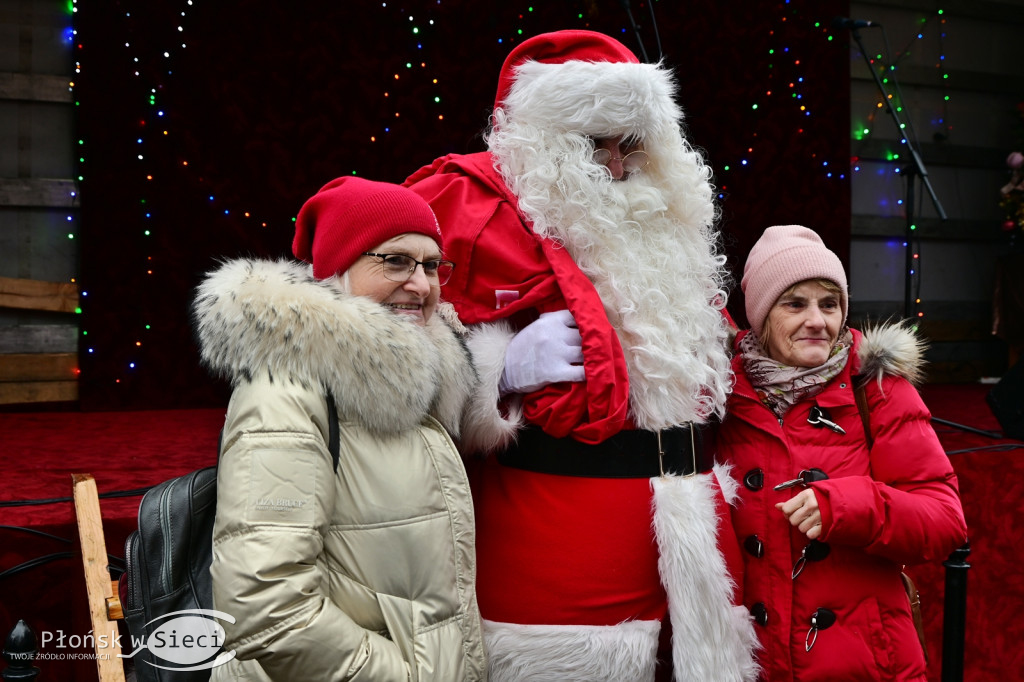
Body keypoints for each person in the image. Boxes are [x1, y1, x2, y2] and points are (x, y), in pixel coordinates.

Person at [405, 30, 758, 681]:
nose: (619, 167)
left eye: (632, 145)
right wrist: (494, 373)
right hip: (556, 564)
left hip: (694, 557)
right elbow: (372, 363)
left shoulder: (670, 228)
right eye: (597, 144)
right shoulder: (464, 205)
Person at [191, 177, 487, 681]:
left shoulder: (416, 386)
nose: (421, 284)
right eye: (394, 261)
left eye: (432, 265)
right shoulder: (286, 390)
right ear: (336, 270)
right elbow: (265, 603)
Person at [717, 224, 969, 681]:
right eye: (796, 303)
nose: (818, 320)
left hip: (864, 663)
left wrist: (851, 505)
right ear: (759, 316)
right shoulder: (721, 397)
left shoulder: (878, 391)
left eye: (829, 304)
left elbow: (945, 520)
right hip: (752, 663)